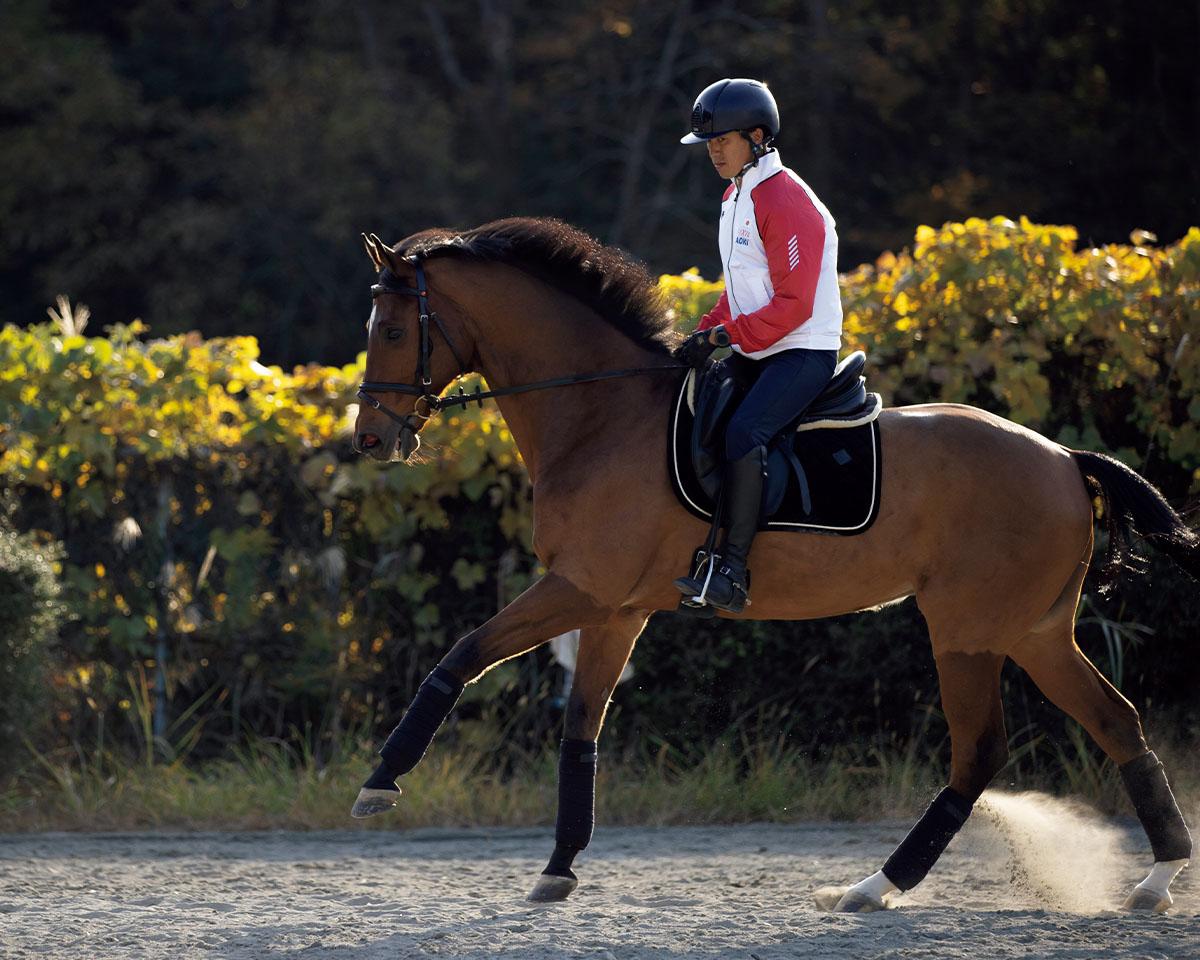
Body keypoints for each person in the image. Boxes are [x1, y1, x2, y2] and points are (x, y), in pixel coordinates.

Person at [673, 78, 844, 613]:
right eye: (708, 143)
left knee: (746, 432)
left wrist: (729, 335)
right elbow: (742, 285)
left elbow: (793, 303)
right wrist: (705, 330)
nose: (713, 151)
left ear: (757, 136)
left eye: (723, 140)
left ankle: (733, 570)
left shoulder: (786, 198)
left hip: (803, 351)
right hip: (759, 348)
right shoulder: (736, 194)